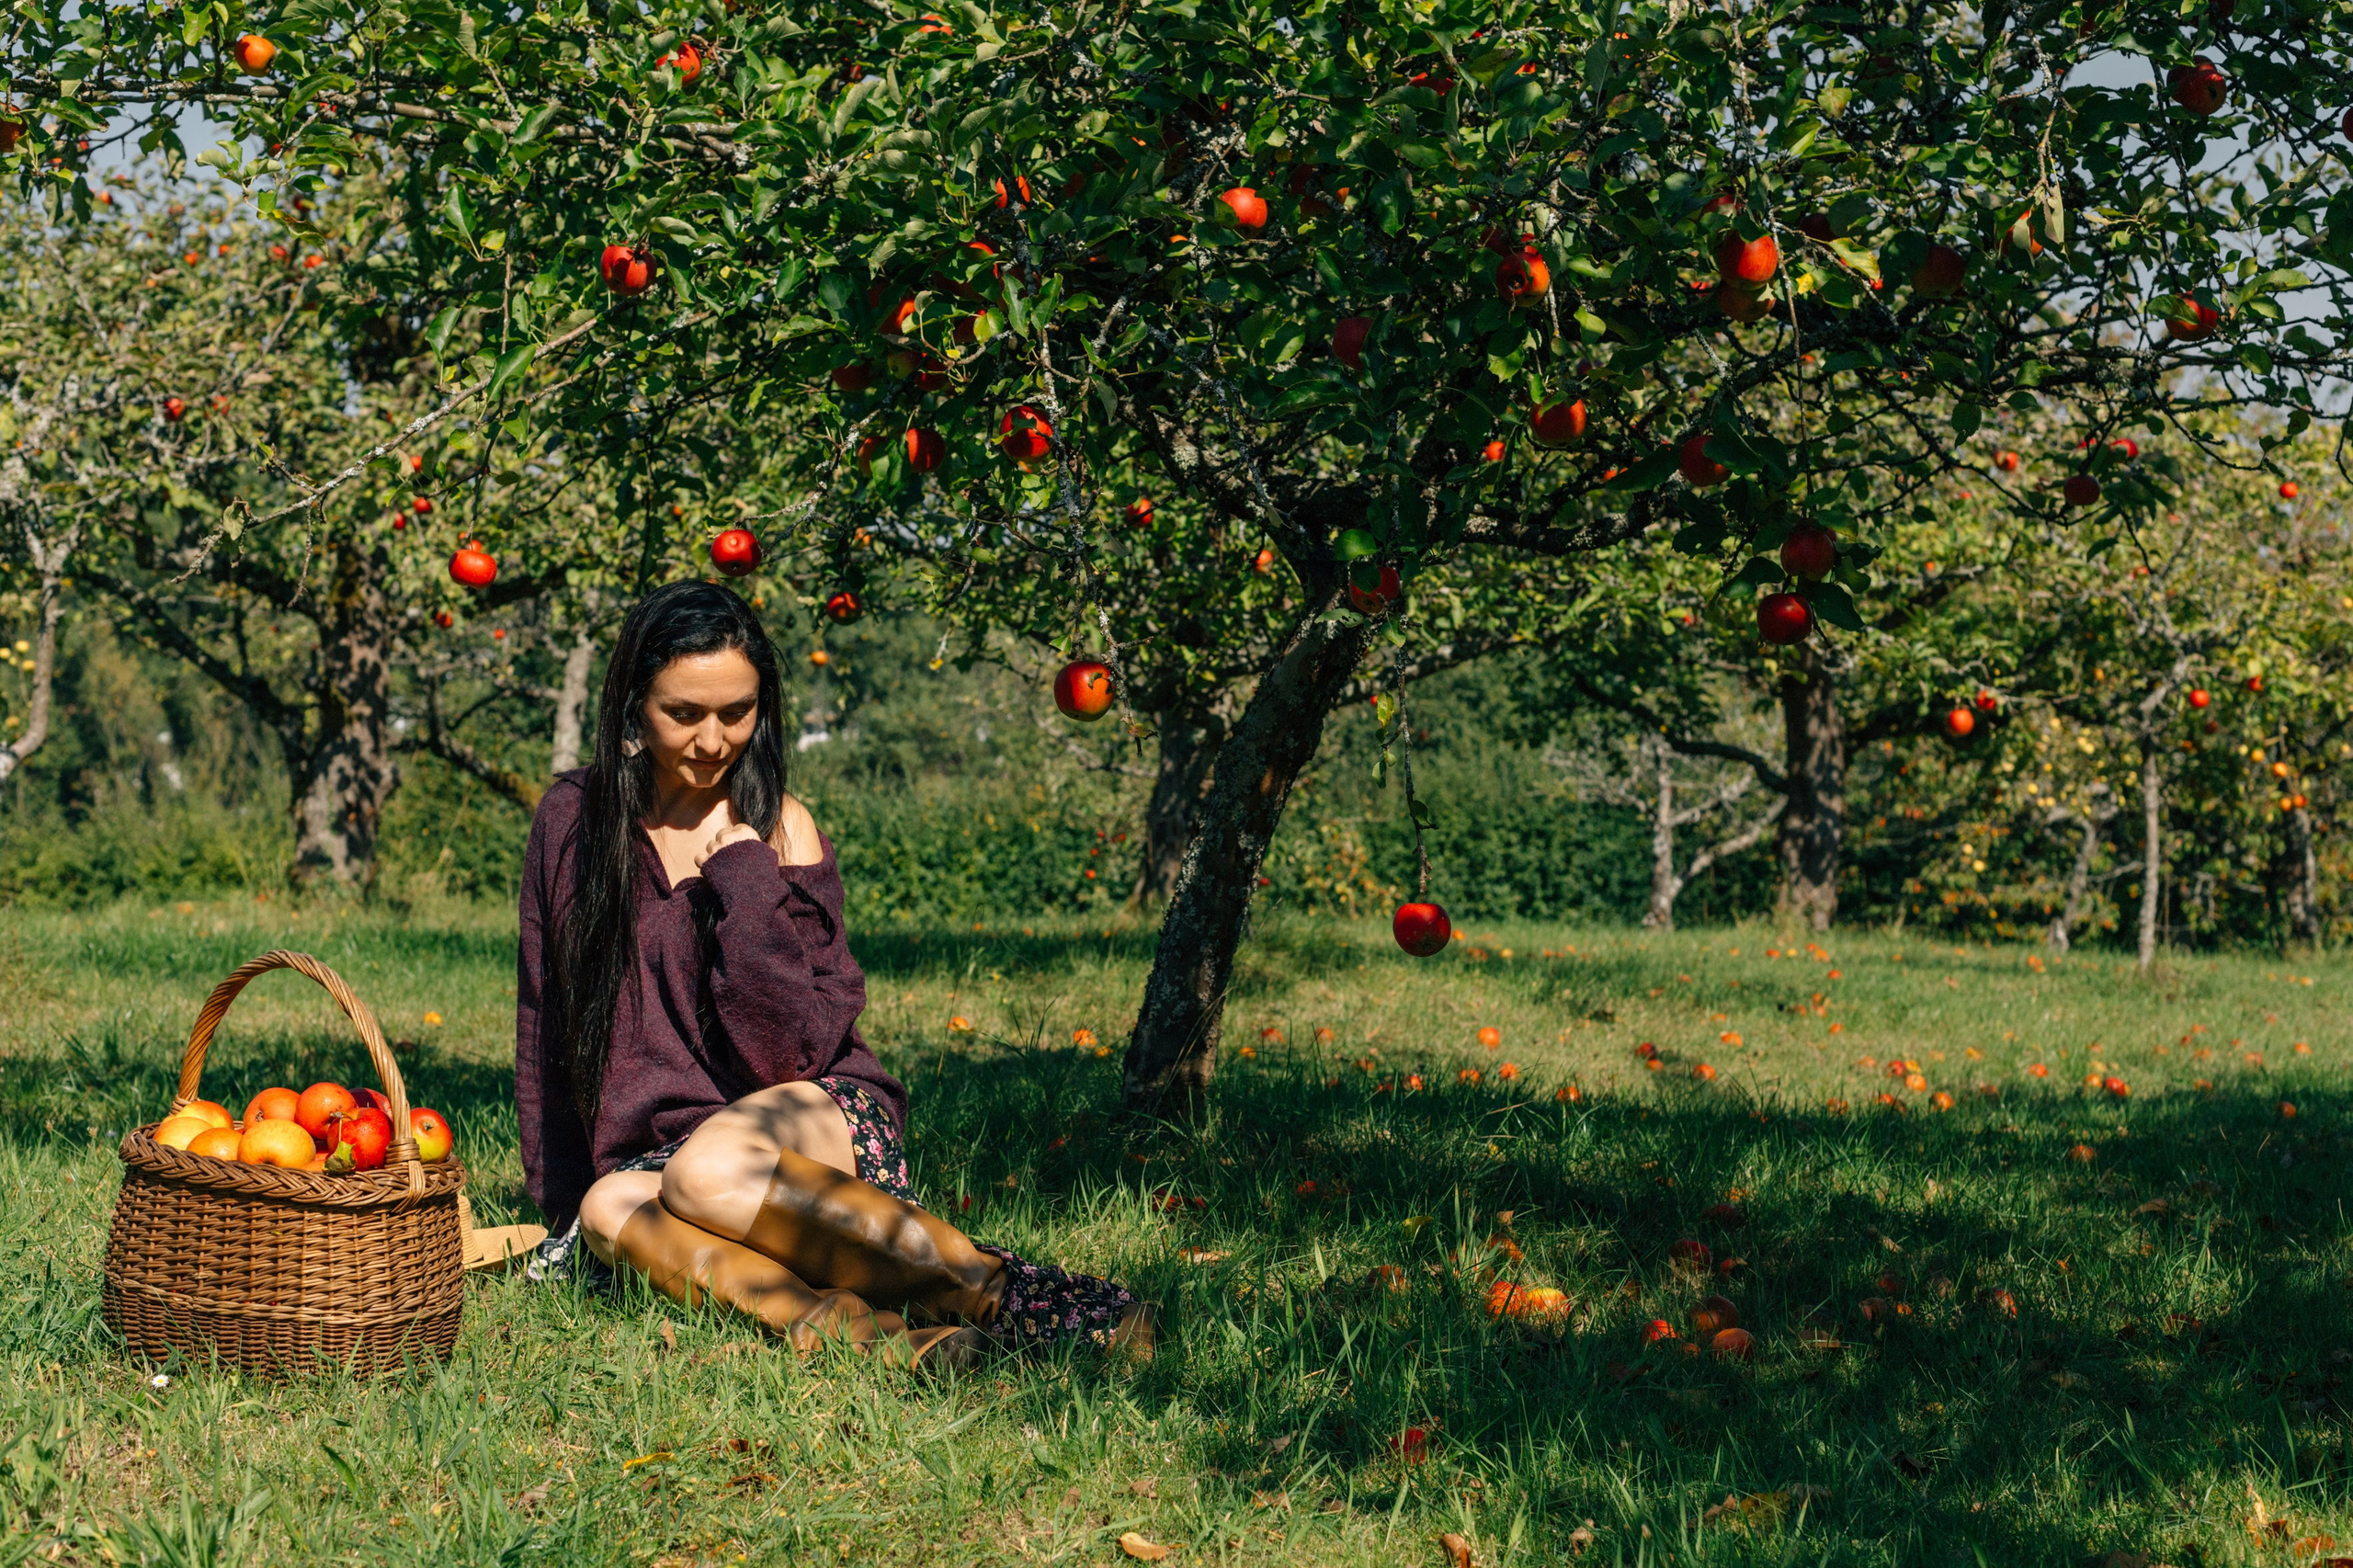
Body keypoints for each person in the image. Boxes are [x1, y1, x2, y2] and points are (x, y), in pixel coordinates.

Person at [516, 581, 1153, 1367]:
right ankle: (874, 1339)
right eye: (683, 713)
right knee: (610, 1207)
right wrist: (561, 1208)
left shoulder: (782, 828)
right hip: (662, 1156)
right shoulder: (573, 823)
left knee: (708, 1171)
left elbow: (788, 1054)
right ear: (633, 706)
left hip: (805, 1110)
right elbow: (547, 1018)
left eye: (737, 712)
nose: (713, 741)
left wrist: (745, 876)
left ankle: (1011, 1297)